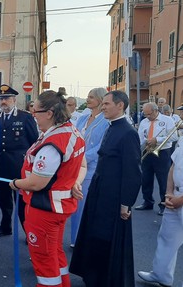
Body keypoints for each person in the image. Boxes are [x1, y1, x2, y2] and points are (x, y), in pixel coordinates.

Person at [9, 90, 85, 287]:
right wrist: (74, 181)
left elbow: (37, 183)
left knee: (43, 260)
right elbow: (81, 165)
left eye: (36, 112)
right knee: (55, 253)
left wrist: (16, 183)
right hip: (59, 206)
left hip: (44, 208)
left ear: (49, 113)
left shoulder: (53, 143)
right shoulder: (71, 132)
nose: (33, 116)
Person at [70, 90, 142, 287]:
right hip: (99, 191)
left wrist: (126, 203)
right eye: (103, 104)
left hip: (114, 196)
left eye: (107, 104)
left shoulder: (128, 133)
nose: (103, 107)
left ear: (120, 106)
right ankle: (94, 276)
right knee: (95, 235)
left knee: (107, 239)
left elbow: (133, 172)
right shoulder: (111, 127)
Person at [0, 84, 38, 237]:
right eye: (1, 99)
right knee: (3, 200)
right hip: (1, 166)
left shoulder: (25, 117)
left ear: (13, 99)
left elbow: (34, 142)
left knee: (22, 202)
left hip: (19, 167)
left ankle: (28, 231)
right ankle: (5, 227)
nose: (3, 102)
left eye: (6, 98)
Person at [138, 138, 183, 287]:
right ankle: (161, 275)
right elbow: (173, 167)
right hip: (174, 195)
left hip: (180, 198)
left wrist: (180, 200)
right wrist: (168, 192)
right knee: (167, 237)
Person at [70, 87, 109, 247]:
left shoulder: (106, 121)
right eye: (87, 96)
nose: (88, 99)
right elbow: (73, 137)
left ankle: (84, 239)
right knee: (74, 204)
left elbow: (102, 145)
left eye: (91, 97)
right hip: (74, 165)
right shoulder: (82, 118)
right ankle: (75, 238)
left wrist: (83, 157)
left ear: (100, 100)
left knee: (84, 202)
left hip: (91, 168)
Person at [136, 102, 178, 215]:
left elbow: (174, 136)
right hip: (147, 151)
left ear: (155, 111)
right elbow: (140, 137)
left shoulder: (167, 120)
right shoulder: (144, 122)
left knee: (163, 179)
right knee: (146, 178)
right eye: (145, 114)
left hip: (162, 152)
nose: (147, 117)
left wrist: (157, 139)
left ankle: (164, 204)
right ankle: (147, 201)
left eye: (149, 114)